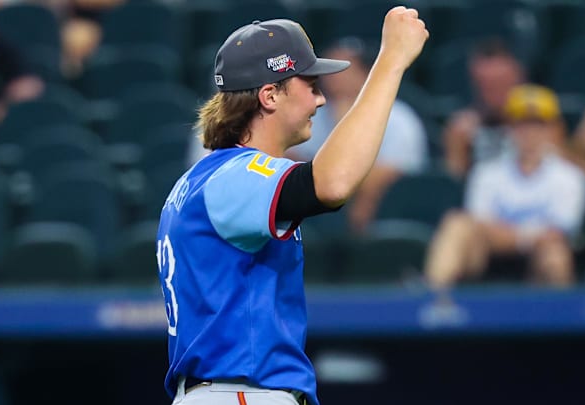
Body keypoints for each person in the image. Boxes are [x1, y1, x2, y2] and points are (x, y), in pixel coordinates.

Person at [157, 7, 428, 405]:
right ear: (269, 94)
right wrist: (391, 61)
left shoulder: (200, 179)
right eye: (309, 83)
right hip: (240, 393)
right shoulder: (234, 175)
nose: (320, 99)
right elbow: (332, 183)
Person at [425, 84, 585, 289]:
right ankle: (434, 304)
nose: (529, 133)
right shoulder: (487, 172)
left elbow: (557, 234)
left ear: (555, 129)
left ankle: (561, 318)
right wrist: (527, 236)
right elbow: (478, 226)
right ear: (510, 129)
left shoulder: (569, 177)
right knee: (457, 225)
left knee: (554, 254)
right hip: (487, 257)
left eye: (538, 124)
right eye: (521, 124)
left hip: (538, 261)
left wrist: (508, 235)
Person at [288, 36, 429, 232]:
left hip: (387, 206)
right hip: (320, 204)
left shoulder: (398, 117)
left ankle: (358, 245)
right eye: (329, 69)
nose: (332, 76)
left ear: (366, 73)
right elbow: (292, 159)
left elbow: (394, 173)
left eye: (342, 69)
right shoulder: (316, 113)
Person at [443, 38, 527, 178]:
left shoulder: (540, 124)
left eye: (501, 85)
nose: (495, 94)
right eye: (487, 86)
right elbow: (452, 182)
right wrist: (458, 148)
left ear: (518, 80)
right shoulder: (462, 130)